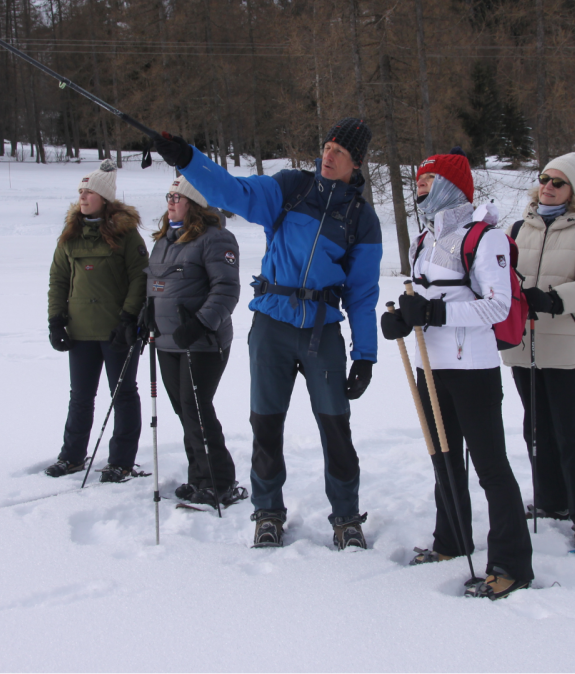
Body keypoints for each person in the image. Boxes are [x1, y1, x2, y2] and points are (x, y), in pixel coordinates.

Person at [154, 118, 381, 550]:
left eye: (340, 152)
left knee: (336, 428)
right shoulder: (293, 187)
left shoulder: (361, 219)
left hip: (322, 330)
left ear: (356, 164)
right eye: (327, 146)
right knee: (266, 424)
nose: (328, 156)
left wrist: (365, 354)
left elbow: (363, 294)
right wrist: (188, 159)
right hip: (272, 325)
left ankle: (347, 516)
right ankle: (268, 512)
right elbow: (233, 192)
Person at [382, 148, 534, 599]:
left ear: (450, 185)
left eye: (427, 181)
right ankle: (451, 541)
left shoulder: (483, 238)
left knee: (489, 466)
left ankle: (511, 564)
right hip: (432, 365)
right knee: (443, 458)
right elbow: (423, 300)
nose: (419, 188)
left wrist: (432, 312)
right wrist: (403, 319)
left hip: (474, 368)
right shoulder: (423, 239)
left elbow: (498, 304)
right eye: (417, 182)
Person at [502, 152, 575, 555]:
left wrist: (550, 299)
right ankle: (551, 501)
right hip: (522, 344)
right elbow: (500, 276)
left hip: (564, 346)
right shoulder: (516, 229)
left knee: (569, 432)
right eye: (545, 178)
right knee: (535, 427)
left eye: (558, 182)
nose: (548, 186)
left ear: (573, 191)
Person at [143, 174, 245, 508]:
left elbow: (226, 290)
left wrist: (201, 324)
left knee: (197, 408)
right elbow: (156, 284)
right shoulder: (164, 240)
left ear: (195, 204)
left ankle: (219, 481)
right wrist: (147, 312)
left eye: (177, 197)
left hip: (202, 341)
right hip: (167, 340)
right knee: (183, 410)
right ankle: (198, 476)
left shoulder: (216, 239)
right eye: (169, 196)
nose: (170, 202)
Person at [45, 159, 148, 482]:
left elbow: (140, 280)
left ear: (104, 198)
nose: (82, 197)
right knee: (80, 396)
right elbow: (59, 279)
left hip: (117, 331)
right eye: (80, 191)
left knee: (124, 395)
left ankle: (121, 461)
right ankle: (72, 456)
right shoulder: (70, 235)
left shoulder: (127, 235)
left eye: (88, 191)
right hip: (80, 330)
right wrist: (55, 320)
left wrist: (129, 318)